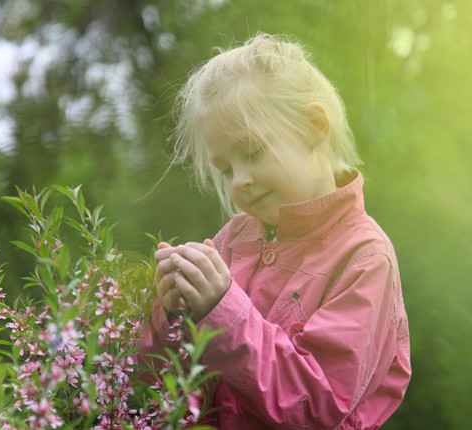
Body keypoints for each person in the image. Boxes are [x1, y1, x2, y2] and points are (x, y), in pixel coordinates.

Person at [136, 33, 411, 429]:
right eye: (226, 169)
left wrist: (222, 313)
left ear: (314, 127)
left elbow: (318, 404)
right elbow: (156, 388)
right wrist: (171, 317)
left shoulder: (364, 257)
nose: (239, 182)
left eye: (251, 152)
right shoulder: (234, 240)